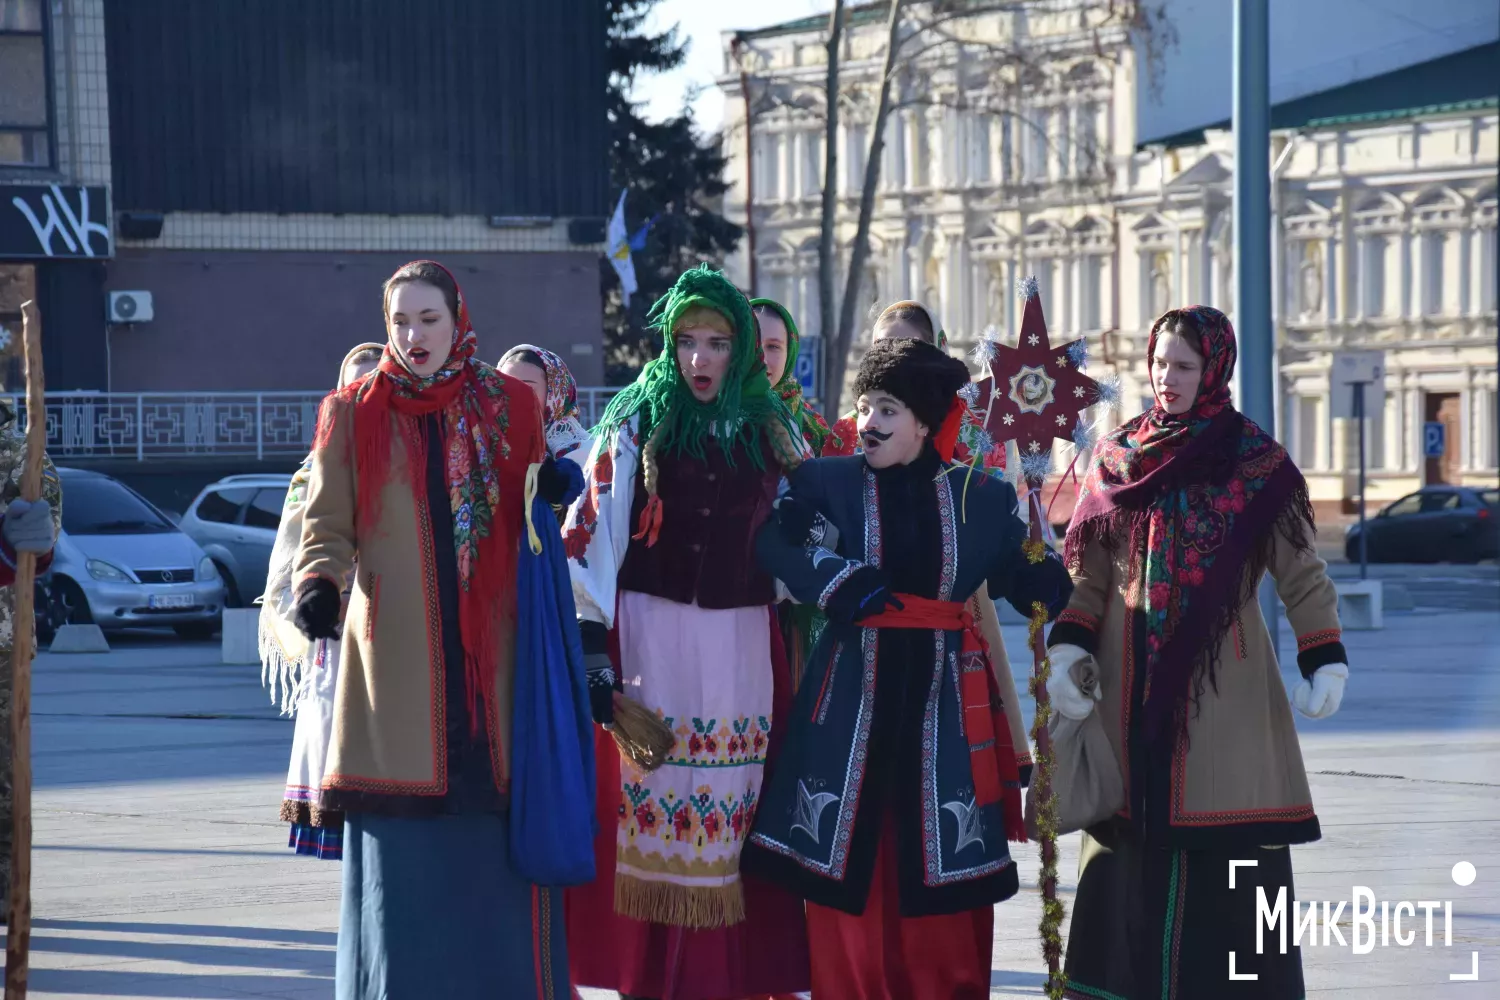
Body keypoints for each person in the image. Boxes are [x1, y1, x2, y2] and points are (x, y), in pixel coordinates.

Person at [745, 337, 1073, 1000]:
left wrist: (1042, 579)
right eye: (864, 405)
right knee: (848, 868)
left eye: (888, 410)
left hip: (943, 710)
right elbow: (773, 541)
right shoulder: (825, 483)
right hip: (849, 706)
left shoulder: (980, 496)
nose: (868, 423)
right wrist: (835, 578)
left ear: (926, 421)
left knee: (941, 878)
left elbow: (1018, 572)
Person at [292, 260, 579, 999]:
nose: (413, 336)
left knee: (491, 867)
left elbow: (534, 508)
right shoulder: (353, 410)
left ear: (457, 320)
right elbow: (325, 525)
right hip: (396, 671)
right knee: (406, 871)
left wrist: (551, 490)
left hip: (497, 668)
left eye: (428, 319)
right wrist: (318, 587)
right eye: (399, 321)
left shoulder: (510, 403)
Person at [1048, 305, 1350, 1000]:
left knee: (1224, 857)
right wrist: (1067, 650)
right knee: (1128, 852)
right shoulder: (1119, 455)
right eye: (1159, 363)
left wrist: (1322, 655)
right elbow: (1089, 578)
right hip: (1126, 691)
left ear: (1214, 368)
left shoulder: (1254, 462)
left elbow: (1301, 571)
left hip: (1225, 698)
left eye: (1183, 365)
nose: (1167, 377)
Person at [562, 264, 812, 1000]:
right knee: (652, 802)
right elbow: (593, 533)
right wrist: (590, 644)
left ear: (742, 348)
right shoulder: (637, 420)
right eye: (686, 341)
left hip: (740, 642)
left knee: (731, 809)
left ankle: (724, 980)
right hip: (652, 637)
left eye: (717, 342)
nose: (700, 359)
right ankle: (651, 979)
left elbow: (806, 540)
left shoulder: (774, 429)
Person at [260, 342, 383, 861]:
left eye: (372, 382)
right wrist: (316, 592)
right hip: (341, 622)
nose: (360, 393)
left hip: (400, 618)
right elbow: (297, 539)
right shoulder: (315, 465)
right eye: (351, 384)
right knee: (341, 727)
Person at [822, 300, 1004, 473]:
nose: (896, 358)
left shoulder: (977, 434)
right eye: (884, 347)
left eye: (910, 348)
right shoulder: (847, 433)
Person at [0, 400, 60, 906]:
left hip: (2, 641)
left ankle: (5, 891)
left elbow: (43, 540)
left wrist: (25, 543)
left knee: (4, 777)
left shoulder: (21, 452)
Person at [751, 298, 830, 454]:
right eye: (752, 344)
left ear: (790, 354)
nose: (762, 359)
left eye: (773, 347)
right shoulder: (707, 415)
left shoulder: (813, 428)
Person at [498, 344, 592, 463]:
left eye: (527, 388)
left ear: (555, 393)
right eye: (506, 388)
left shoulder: (590, 456)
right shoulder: (486, 452)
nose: (513, 397)